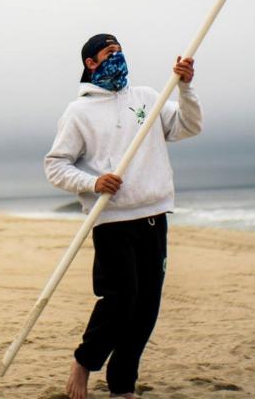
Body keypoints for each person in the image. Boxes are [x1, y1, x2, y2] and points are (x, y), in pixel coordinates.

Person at [44, 33, 201, 399]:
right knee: (121, 300)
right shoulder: (78, 112)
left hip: (154, 215)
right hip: (111, 219)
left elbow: (189, 126)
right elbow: (55, 166)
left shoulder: (148, 97)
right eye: (109, 52)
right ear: (91, 63)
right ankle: (84, 363)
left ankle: (122, 386)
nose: (118, 56)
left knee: (146, 309)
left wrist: (186, 89)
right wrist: (94, 181)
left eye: (120, 50)